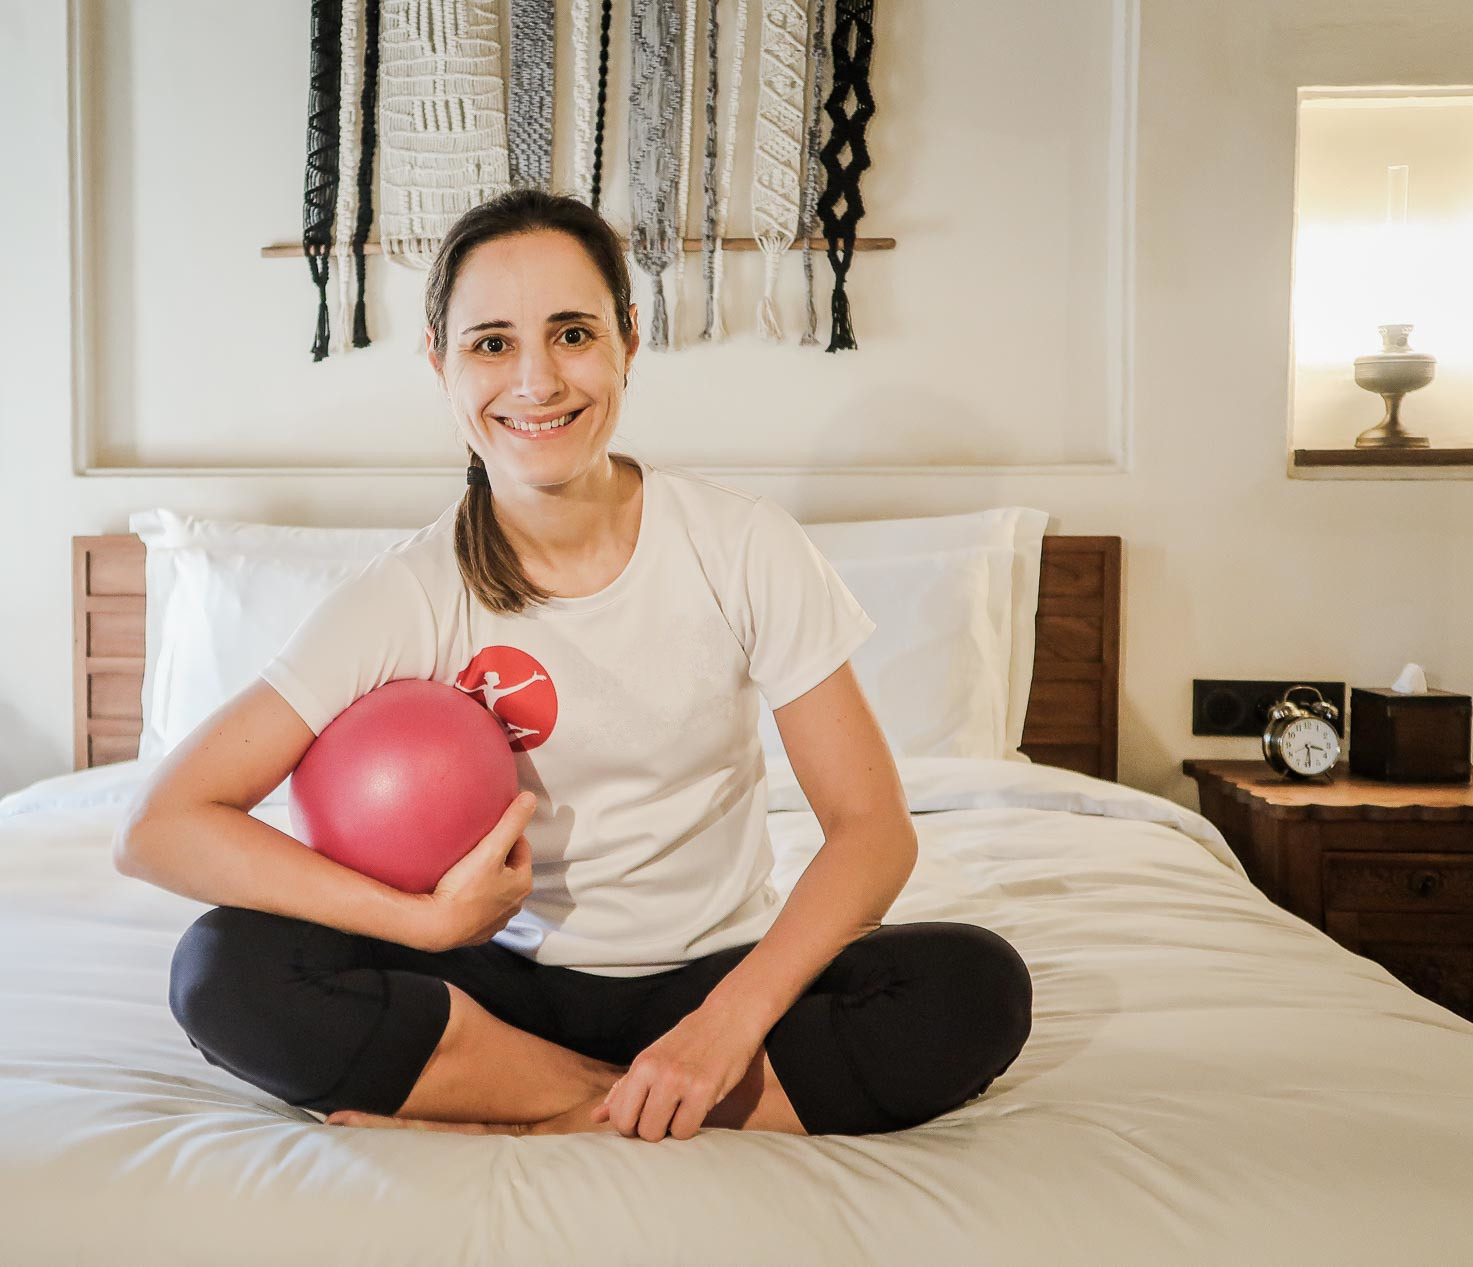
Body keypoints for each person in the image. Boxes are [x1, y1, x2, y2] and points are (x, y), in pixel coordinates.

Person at [115, 189, 1032, 1142]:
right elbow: (160, 827)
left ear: (628, 341)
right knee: (223, 967)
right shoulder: (407, 594)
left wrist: (725, 1026)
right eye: (491, 343)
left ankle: (523, 1100)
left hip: (712, 973)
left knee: (975, 986)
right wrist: (423, 926)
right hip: (495, 981)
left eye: (572, 333)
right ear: (440, 364)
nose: (536, 380)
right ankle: (616, 1099)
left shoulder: (743, 545)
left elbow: (872, 828)